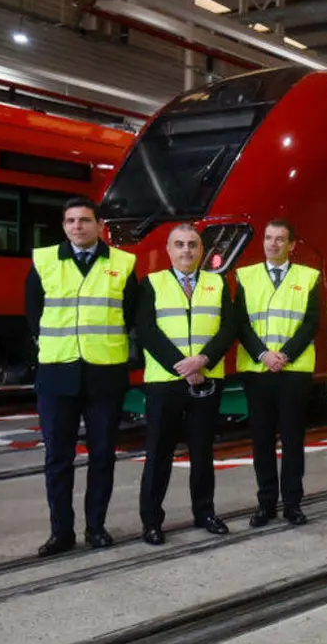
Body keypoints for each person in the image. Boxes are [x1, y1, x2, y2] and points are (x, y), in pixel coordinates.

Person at [25, 198, 138, 556]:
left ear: (99, 224)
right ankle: (61, 533)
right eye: (71, 221)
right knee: (58, 458)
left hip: (104, 374)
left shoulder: (123, 263)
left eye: (85, 220)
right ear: (63, 225)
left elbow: (130, 315)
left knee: (102, 455)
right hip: (57, 374)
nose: (78, 226)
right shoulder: (44, 261)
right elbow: (33, 313)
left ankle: (96, 528)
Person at [135, 224, 235, 545]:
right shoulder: (151, 283)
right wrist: (183, 366)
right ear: (168, 249)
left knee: (203, 451)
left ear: (201, 251)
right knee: (159, 453)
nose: (186, 251)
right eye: (179, 245)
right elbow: (147, 330)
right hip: (165, 382)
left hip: (206, 379)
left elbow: (228, 328)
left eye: (192, 245)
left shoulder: (217, 283)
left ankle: (204, 512)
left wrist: (202, 360)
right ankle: (151, 521)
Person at [235, 219, 321, 528]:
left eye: (280, 239)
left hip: (293, 371)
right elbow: (241, 323)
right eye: (268, 238)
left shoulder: (309, 277)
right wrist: (263, 354)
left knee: (293, 440)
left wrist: (284, 355)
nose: (273, 244)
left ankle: (293, 504)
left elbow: (311, 322)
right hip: (257, 370)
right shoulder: (245, 276)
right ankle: (266, 503)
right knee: (261, 441)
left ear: (292, 245)